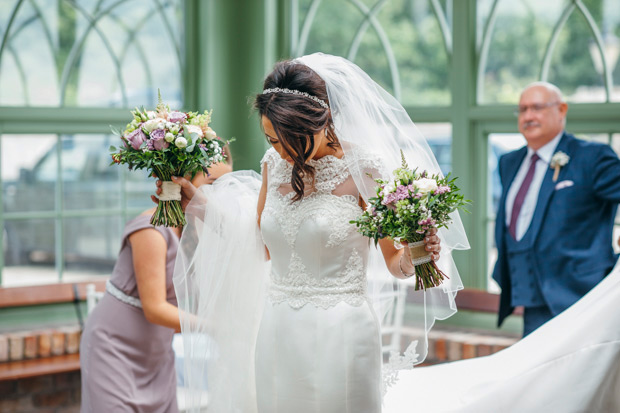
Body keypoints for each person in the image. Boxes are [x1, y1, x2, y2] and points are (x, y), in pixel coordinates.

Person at [166, 53, 469, 413]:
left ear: (321, 122)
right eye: (271, 140)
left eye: (289, 140)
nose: (282, 151)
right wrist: (197, 206)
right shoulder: (272, 165)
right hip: (277, 327)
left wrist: (419, 253)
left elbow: (394, 262)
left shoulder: (366, 169)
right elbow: (259, 246)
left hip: (341, 331)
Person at [80, 160, 232, 412]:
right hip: (114, 349)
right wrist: (213, 327)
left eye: (226, 185)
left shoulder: (195, 230)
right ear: (182, 181)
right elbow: (155, 308)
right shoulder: (152, 229)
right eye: (211, 184)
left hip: (157, 355)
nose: (219, 195)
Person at [492, 81, 620, 336]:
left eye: (537, 108)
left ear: (561, 110)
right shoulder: (510, 161)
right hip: (527, 299)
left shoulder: (592, 156)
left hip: (582, 295)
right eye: (523, 109)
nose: (528, 116)